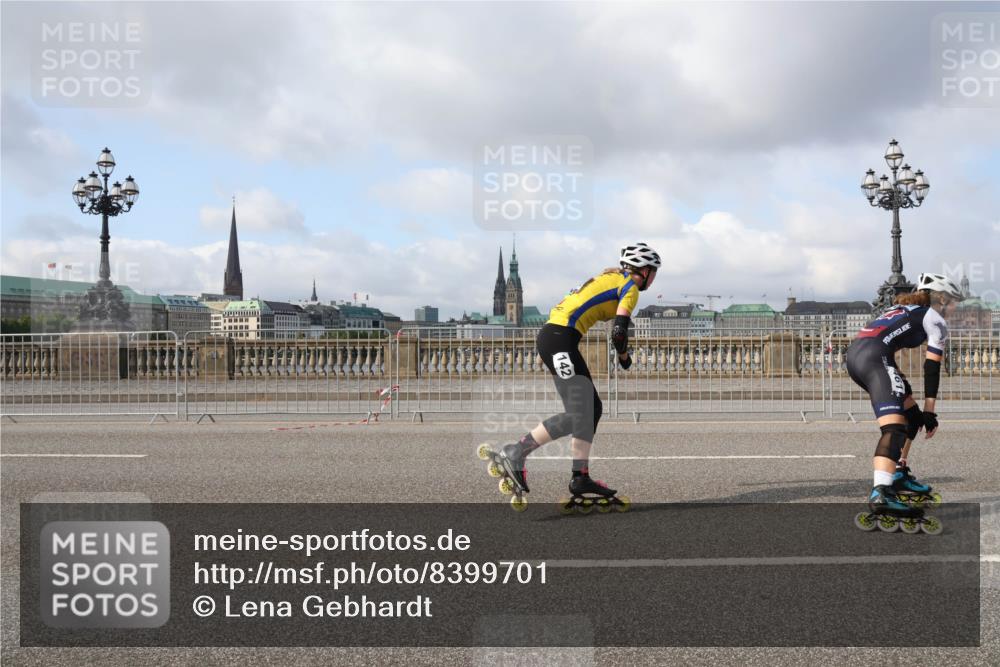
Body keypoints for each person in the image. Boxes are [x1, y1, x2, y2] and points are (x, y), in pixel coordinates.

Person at [494, 242, 660, 504]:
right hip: (560, 338)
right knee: (579, 411)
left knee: (591, 408)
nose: (654, 278)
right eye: (654, 272)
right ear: (644, 271)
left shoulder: (608, 277)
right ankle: (516, 451)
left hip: (559, 338)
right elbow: (618, 332)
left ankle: (580, 475)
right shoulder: (629, 287)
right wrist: (625, 356)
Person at [846, 272, 963, 518]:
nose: (954, 308)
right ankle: (881, 492)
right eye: (952, 301)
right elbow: (932, 369)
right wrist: (931, 412)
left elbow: (881, 338)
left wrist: (916, 405)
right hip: (875, 360)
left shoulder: (903, 308)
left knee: (911, 416)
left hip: (858, 355)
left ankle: (898, 473)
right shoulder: (935, 319)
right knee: (895, 429)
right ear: (940, 298)